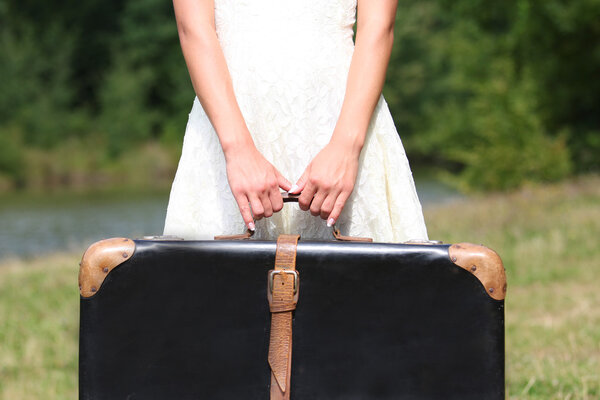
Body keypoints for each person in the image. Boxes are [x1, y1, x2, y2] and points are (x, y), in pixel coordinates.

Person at [163, 0, 428, 242]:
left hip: (343, 121)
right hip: (226, 128)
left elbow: (378, 27)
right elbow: (193, 27)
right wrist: (237, 149)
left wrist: (346, 148)